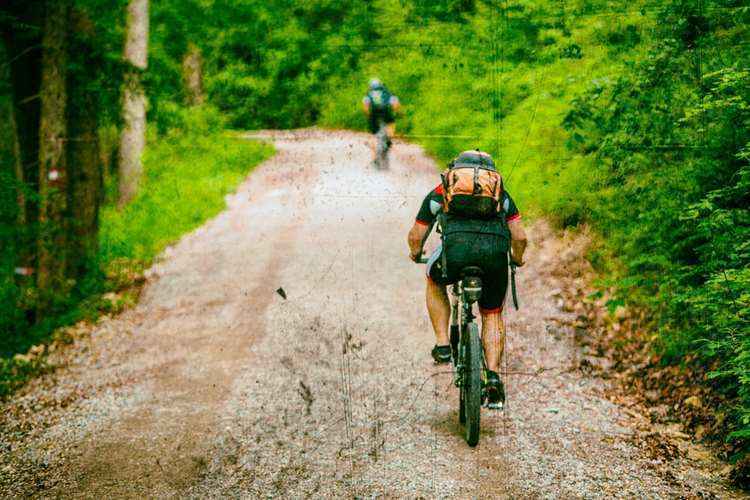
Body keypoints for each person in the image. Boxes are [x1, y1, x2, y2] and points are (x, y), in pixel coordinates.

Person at [406, 150, 528, 409]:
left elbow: (417, 235)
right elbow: (519, 237)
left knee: (434, 279)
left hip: (455, 256)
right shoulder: (501, 195)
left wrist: (417, 254)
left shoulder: (442, 191)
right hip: (494, 258)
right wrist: (516, 259)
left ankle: (442, 344)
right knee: (492, 314)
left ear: (455, 171)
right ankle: (493, 377)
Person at [362, 78, 400, 157]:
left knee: (374, 134)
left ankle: (375, 156)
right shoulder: (387, 92)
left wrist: (368, 114)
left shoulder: (368, 93)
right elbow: (395, 103)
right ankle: (389, 138)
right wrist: (397, 112)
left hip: (374, 113)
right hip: (386, 111)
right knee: (391, 123)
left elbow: (366, 106)